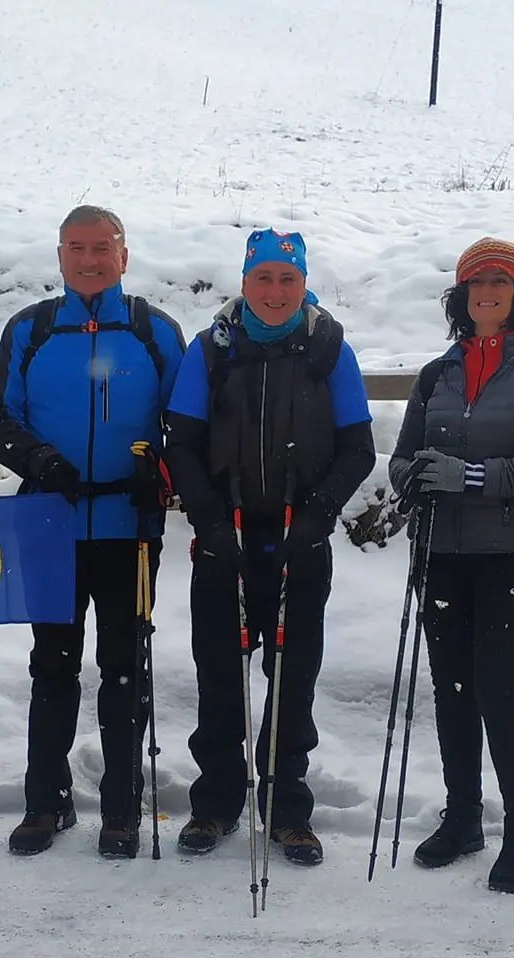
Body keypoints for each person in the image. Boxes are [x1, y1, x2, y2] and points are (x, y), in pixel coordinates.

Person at [162, 229, 376, 866]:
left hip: (298, 538)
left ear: (303, 283)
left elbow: (358, 448)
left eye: (288, 278)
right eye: (264, 277)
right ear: (245, 281)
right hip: (224, 538)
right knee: (219, 678)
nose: (275, 291)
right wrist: (208, 519)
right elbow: (181, 443)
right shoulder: (211, 349)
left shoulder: (329, 349)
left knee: (291, 680)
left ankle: (287, 811)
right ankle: (216, 803)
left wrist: (319, 515)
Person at [0, 206, 186, 858]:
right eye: (77, 248)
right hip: (50, 522)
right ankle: (46, 802)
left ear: (124, 255)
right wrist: (39, 461)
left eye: (102, 247)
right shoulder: (31, 330)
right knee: (53, 665)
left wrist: (161, 471)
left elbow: (186, 421)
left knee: (124, 666)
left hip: (130, 527)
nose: (90, 260)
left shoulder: (155, 331)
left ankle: (122, 808)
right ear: (61, 256)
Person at [388, 238, 514, 893]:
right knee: (452, 689)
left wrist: (471, 477)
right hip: (440, 552)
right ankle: (464, 817)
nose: (488, 292)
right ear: (461, 296)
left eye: (501, 281)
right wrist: (413, 477)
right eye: (477, 282)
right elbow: (402, 455)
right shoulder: (435, 374)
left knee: (497, 689)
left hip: (508, 553)